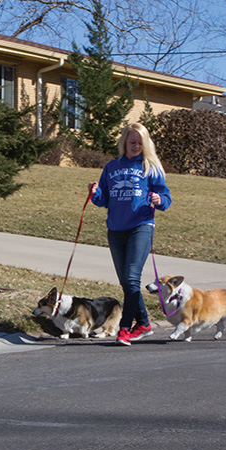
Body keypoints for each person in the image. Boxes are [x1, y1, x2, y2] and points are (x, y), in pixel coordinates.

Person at [89, 123, 172, 346]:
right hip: (115, 229)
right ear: (124, 141)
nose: (136, 146)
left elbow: (166, 198)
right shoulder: (111, 167)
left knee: (132, 278)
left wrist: (159, 200)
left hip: (141, 226)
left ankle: (124, 329)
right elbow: (104, 199)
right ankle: (144, 324)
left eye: (140, 143)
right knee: (127, 282)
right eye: (132, 141)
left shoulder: (150, 167)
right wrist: (94, 193)